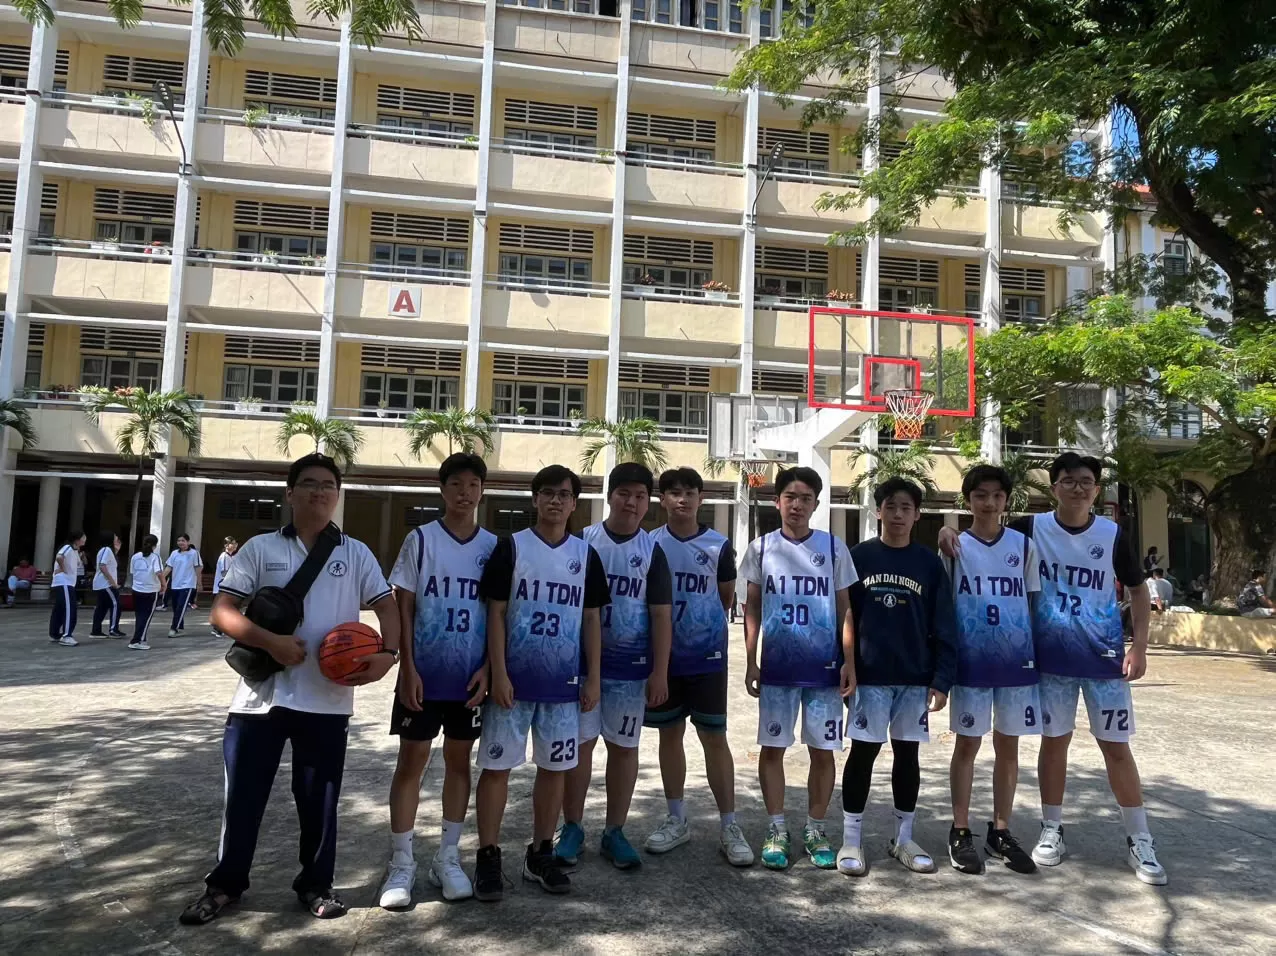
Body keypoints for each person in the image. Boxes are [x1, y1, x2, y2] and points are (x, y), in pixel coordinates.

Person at [178, 453, 401, 925]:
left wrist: (388, 655)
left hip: (327, 700)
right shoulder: (260, 548)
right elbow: (222, 611)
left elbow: (387, 606)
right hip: (259, 699)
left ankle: (316, 885)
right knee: (242, 798)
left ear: (337, 496)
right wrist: (271, 642)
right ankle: (224, 885)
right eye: (309, 484)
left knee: (319, 801)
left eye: (327, 485)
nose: (319, 492)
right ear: (290, 493)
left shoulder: (355, 553)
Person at [939, 451, 1166, 885]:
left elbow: (1138, 590)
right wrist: (946, 530)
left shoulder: (1113, 533)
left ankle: (1140, 838)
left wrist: (1139, 647)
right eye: (1068, 481)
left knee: (1117, 747)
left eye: (1086, 482)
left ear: (1096, 489)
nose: (1077, 488)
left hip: (1104, 660)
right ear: (1054, 487)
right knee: (1053, 744)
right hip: (1049, 663)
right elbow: (983, 530)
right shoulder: (1031, 530)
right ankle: (1051, 828)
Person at [473, 464, 608, 900]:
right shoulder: (512, 547)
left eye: (564, 494)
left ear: (574, 503)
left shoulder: (585, 555)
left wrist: (593, 678)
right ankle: (488, 855)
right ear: (534, 499)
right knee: (496, 768)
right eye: (547, 492)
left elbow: (591, 619)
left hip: (563, 687)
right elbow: (495, 613)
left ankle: (540, 853)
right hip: (512, 686)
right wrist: (498, 672)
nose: (555, 500)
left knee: (554, 770)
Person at [378, 453, 497, 908]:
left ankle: (447, 856)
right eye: (456, 484)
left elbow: (499, 613)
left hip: (469, 678)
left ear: (482, 491)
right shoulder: (421, 540)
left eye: (473, 485)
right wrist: (406, 667)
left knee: (459, 763)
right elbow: (403, 607)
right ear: (442, 489)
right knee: (411, 762)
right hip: (423, 676)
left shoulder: (493, 546)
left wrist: (489, 667)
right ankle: (402, 861)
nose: (465, 493)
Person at [557, 463, 672, 870]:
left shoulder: (652, 551)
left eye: (640, 496)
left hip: (630, 671)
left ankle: (615, 831)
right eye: (624, 494)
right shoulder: (582, 542)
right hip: (582, 667)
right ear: (610, 497)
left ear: (648, 503)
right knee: (580, 747)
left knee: (623, 748)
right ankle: (572, 827)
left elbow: (661, 615)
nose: (632, 502)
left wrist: (659, 671)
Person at [741, 466, 856, 871]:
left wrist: (850, 662)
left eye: (806, 498)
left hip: (824, 670)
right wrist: (751, 659)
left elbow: (845, 609)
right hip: (778, 668)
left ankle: (815, 828)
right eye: (790, 496)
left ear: (816, 504)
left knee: (823, 752)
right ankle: (776, 828)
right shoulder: (760, 548)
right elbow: (752, 607)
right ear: (777, 502)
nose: (797, 505)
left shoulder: (834, 548)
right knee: (773, 748)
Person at [841, 477, 956, 877]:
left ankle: (903, 839)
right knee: (863, 754)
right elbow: (845, 616)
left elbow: (944, 622)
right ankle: (851, 840)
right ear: (878, 511)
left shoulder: (928, 564)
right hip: (870, 677)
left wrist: (942, 677)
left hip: (914, 678)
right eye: (890, 506)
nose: (898, 514)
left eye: (906, 507)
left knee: (908, 756)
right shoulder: (859, 557)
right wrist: (846, 666)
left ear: (917, 515)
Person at [644, 467, 754, 866]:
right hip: (664, 660)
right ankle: (677, 819)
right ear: (662, 500)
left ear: (701, 498)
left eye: (690, 492)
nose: (682, 499)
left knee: (714, 738)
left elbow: (724, 599)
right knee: (669, 735)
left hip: (707, 658)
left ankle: (729, 825)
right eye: (674, 492)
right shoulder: (650, 543)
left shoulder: (718, 545)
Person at [943, 466, 1039, 876]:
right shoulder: (953, 546)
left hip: (1015, 660)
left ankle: (1000, 830)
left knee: (1009, 746)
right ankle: (960, 829)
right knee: (968, 744)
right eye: (980, 495)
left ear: (1006, 500)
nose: (989, 502)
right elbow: (944, 606)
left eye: (997, 495)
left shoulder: (1024, 545)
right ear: (968, 500)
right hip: (971, 660)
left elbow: (1032, 602)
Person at [48, 530, 86, 646]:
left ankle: (54, 634)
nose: (85, 539)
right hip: (64, 582)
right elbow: (59, 557)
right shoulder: (67, 547)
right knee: (70, 608)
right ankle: (67, 635)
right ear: (77, 539)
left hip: (67, 583)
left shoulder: (74, 551)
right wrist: (63, 568)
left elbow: (78, 564)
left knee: (59, 609)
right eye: (83, 538)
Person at [128, 535, 165, 650]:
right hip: (150, 590)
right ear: (155, 545)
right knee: (146, 617)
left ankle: (140, 638)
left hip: (137, 589)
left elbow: (133, 572)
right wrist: (164, 584)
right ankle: (137, 640)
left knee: (139, 616)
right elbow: (159, 572)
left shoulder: (135, 557)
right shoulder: (155, 557)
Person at [164, 534, 203, 637]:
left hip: (188, 584)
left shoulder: (194, 553)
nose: (180, 542)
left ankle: (174, 628)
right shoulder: (174, 553)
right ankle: (180, 626)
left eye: (183, 540)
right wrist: (161, 579)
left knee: (181, 605)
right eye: (179, 540)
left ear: (188, 542)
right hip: (175, 584)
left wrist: (199, 583)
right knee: (175, 606)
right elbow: (169, 567)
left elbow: (198, 568)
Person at [89, 532, 126, 638]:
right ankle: (113, 629)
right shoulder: (107, 550)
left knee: (102, 607)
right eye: (115, 537)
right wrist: (113, 583)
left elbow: (109, 563)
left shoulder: (107, 551)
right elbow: (102, 565)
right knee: (116, 604)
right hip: (106, 584)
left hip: (102, 584)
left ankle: (96, 631)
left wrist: (117, 550)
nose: (117, 538)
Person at [211, 537, 239, 638]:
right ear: (226, 545)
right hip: (222, 587)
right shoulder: (224, 556)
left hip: (228, 586)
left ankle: (220, 628)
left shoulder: (232, 557)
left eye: (236, 543)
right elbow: (224, 572)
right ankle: (217, 629)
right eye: (233, 543)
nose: (235, 545)